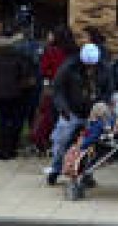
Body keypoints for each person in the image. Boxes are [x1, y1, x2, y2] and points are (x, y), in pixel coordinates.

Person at [45, 43, 113, 185]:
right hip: (72, 110)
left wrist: (103, 105)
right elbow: (57, 89)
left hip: (94, 112)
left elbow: (108, 89)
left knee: (92, 144)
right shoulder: (68, 68)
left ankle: (87, 172)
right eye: (87, 65)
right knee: (62, 139)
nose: (90, 68)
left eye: (93, 65)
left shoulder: (104, 69)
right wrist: (63, 108)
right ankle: (56, 169)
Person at [0, 25, 37, 160]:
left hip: (1, 90)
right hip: (18, 91)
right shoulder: (22, 52)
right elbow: (26, 70)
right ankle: (12, 148)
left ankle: (4, 149)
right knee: (16, 120)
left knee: (4, 120)